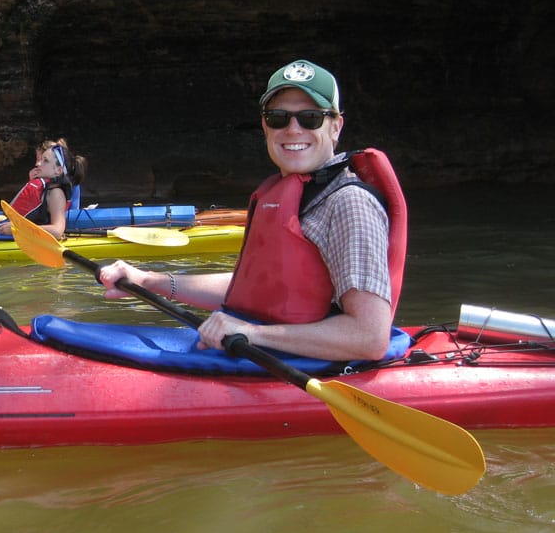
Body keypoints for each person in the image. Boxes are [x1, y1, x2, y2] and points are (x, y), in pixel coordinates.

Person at [99, 59, 406, 362]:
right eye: (278, 118)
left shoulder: (348, 203)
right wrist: (148, 280)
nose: (293, 129)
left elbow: (369, 337)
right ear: (264, 125)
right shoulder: (292, 192)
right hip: (262, 353)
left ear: (336, 126)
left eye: (310, 117)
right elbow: (259, 291)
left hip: (311, 367)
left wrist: (251, 333)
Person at [0, 138, 87, 238]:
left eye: (45, 161)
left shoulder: (56, 194)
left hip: (24, 236)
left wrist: (19, 228)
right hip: (11, 228)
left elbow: (57, 230)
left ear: (58, 170)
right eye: (41, 159)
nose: (38, 164)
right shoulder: (45, 187)